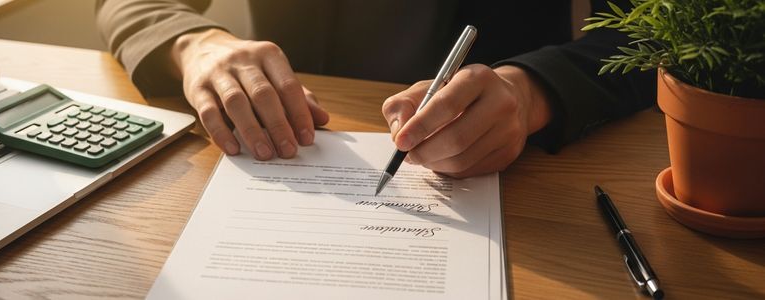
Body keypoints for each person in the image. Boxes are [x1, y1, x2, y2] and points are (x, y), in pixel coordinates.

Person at [95, 0, 654, 178]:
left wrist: (533, 89)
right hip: (309, 149)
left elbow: (661, 33)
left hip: (522, 183)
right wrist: (194, 43)